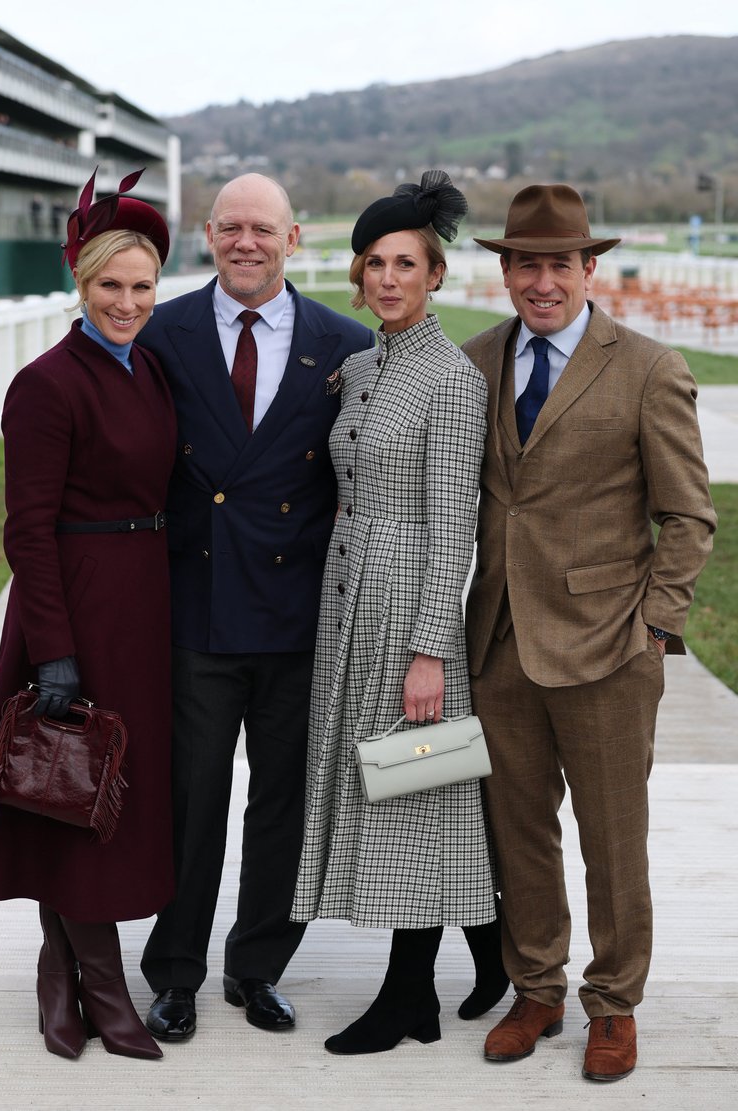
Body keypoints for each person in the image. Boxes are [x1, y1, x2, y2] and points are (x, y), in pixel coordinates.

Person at [463, 184, 716, 1081]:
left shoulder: (647, 367)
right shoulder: (477, 360)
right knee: (520, 831)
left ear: (588, 270)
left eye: (558, 264)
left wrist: (656, 626)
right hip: (499, 645)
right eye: (525, 263)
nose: (541, 281)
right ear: (504, 271)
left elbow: (689, 515)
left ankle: (614, 1002)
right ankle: (536, 987)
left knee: (613, 838)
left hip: (610, 646)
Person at [137, 173, 375, 1041]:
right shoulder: (160, 334)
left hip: (299, 615)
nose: (245, 242)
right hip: (195, 606)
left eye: (262, 229)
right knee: (191, 801)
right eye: (230, 227)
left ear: (295, 238)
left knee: (284, 803)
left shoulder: (347, 347)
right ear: (207, 234)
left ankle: (258, 965)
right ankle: (175, 973)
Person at [0, 168, 177, 1061]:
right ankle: (106, 991)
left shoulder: (150, 367)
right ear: (82, 287)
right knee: (71, 786)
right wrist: (52, 650)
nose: (127, 302)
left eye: (142, 286)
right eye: (110, 286)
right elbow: (25, 529)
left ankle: (58, 970)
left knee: (90, 792)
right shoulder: (47, 383)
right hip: (74, 606)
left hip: (141, 599)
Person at [290, 171, 506, 1055]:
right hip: (347, 598)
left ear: (435, 275)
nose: (387, 277)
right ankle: (492, 952)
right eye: (374, 262)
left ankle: (407, 995)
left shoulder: (452, 379)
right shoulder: (365, 365)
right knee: (400, 782)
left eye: (405, 263)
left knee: (412, 789)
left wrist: (430, 651)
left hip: (411, 601)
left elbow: (456, 523)